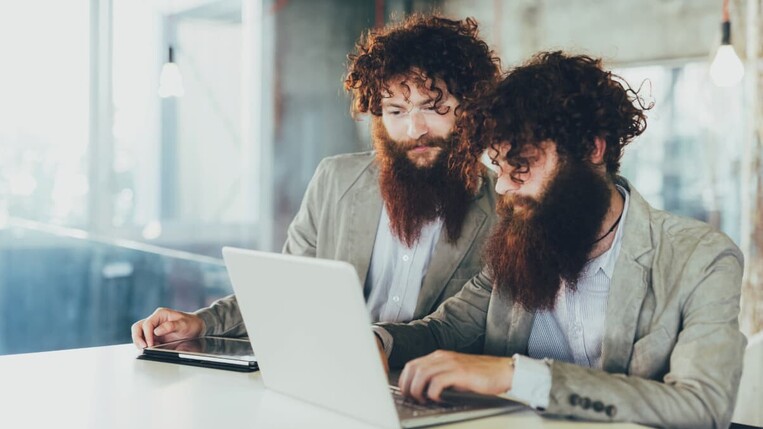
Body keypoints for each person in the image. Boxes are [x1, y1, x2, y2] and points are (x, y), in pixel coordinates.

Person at [373, 51, 746, 429]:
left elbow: (703, 406)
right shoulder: (518, 241)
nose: (502, 186)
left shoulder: (700, 257)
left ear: (591, 150)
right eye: (499, 167)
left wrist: (520, 376)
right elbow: (443, 330)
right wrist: (378, 343)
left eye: (522, 167)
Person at [132, 15, 501, 349]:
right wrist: (201, 322)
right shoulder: (335, 180)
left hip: (432, 395)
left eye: (433, 108)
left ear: (470, 107)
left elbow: (466, 327)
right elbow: (287, 288)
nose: (414, 129)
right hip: (327, 375)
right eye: (396, 111)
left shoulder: (505, 208)